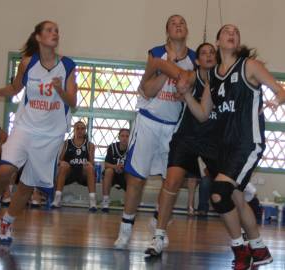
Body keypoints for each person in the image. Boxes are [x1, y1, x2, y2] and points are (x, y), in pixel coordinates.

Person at [149, 25, 285, 268]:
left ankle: (240, 250)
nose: (232, 33)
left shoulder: (249, 66)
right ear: (218, 40)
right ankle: (259, 249)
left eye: (236, 32)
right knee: (236, 198)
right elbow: (202, 115)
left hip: (248, 143)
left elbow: (280, 90)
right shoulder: (213, 76)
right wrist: (187, 95)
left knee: (218, 192)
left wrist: (276, 99)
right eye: (227, 32)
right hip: (227, 146)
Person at [0, 20, 77, 245]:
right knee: (4, 169)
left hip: (50, 135)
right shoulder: (28, 63)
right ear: (38, 37)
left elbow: (73, 101)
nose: (54, 33)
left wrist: (59, 90)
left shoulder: (67, 65)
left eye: (57, 30)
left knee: (27, 184)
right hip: (25, 127)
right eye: (49, 30)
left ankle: (6, 222)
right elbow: (16, 88)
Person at [114, 14, 196, 249]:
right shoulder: (156, 53)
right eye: (173, 23)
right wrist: (165, 68)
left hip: (174, 127)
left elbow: (191, 84)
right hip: (149, 121)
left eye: (182, 22)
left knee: (171, 181)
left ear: (187, 29)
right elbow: (146, 90)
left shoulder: (193, 58)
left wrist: (172, 69)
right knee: (136, 178)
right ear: (167, 31)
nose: (179, 24)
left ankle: (158, 226)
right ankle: (126, 228)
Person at [144, 42, 218, 256]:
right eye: (204, 53)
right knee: (172, 181)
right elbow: (182, 77)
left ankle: (243, 238)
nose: (208, 55)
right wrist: (182, 85)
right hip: (186, 137)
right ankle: (158, 235)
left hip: (212, 140)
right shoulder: (191, 75)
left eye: (212, 52)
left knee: (228, 189)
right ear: (197, 60)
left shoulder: (223, 79)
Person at [51, 121, 97, 211]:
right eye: (78, 128)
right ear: (74, 130)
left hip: (82, 173)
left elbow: (92, 162)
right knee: (63, 166)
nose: (80, 130)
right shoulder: (66, 143)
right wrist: (61, 162)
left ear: (85, 131)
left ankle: (92, 202)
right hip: (69, 171)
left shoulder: (90, 145)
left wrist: (89, 163)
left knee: (90, 167)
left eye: (82, 128)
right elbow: (59, 160)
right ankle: (57, 199)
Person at [101, 128, 130, 212]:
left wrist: (124, 169)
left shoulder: (132, 149)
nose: (124, 138)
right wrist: (115, 167)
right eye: (122, 136)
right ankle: (105, 201)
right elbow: (106, 164)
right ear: (119, 137)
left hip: (125, 175)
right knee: (108, 171)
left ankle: (128, 202)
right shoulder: (112, 147)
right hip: (113, 174)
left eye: (127, 136)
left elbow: (135, 165)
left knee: (132, 175)